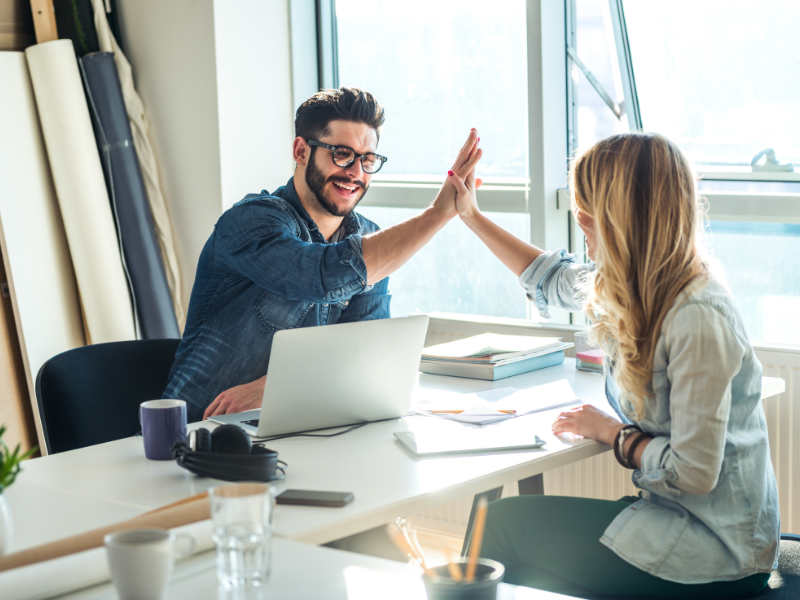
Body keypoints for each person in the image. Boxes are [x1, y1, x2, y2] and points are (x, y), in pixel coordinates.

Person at [449, 133, 779, 599]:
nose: (578, 217)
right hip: (676, 519)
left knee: (498, 529)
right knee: (509, 532)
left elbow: (694, 472)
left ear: (624, 217)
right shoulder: (632, 287)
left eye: (588, 207)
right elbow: (553, 279)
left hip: (718, 550)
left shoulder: (698, 314)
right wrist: (472, 217)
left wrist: (613, 433)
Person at [163, 87, 482, 423]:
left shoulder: (371, 241)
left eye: (367, 159)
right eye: (342, 154)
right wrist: (437, 214)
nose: (356, 172)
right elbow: (318, 276)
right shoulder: (251, 222)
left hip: (302, 434)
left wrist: (275, 385)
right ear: (301, 151)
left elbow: (363, 354)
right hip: (193, 439)